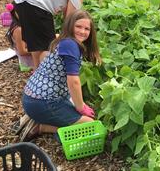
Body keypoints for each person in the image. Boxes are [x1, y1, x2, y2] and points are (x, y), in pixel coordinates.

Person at [21, 10, 101, 139]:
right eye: (78, 26)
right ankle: (41, 127)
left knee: (79, 109)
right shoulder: (71, 45)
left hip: (33, 97)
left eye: (87, 29)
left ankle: (40, 120)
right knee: (89, 124)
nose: (82, 31)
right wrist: (81, 107)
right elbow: (73, 81)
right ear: (70, 26)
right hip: (42, 102)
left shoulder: (63, 40)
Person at [13, 0, 103, 69]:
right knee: (48, 45)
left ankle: (37, 72)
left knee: (37, 42)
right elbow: (69, 22)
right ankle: (43, 75)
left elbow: (66, 15)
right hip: (34, 1)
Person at [5, 4, 34, 71]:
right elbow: (22, 52)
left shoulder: (18, 24)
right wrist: (41, 48)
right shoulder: (19, 30)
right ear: (15, 13)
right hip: (29, 62)